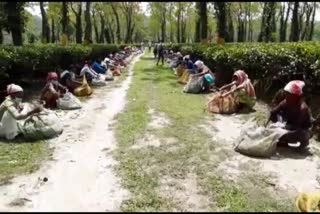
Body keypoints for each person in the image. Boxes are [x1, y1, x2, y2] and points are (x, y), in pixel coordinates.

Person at [270, 80, 312, 152]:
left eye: (288, 94)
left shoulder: (303, 108)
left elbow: (297, 125)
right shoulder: (286, 101)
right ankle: (284, 141)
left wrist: (284, 129)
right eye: (286, 93)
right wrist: (272, 115)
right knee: (274, 130)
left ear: (296, 96)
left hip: (302, 130)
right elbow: (274, 111)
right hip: (291, 126)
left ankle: (305, 142)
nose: (286, 95)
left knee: (290, 133)